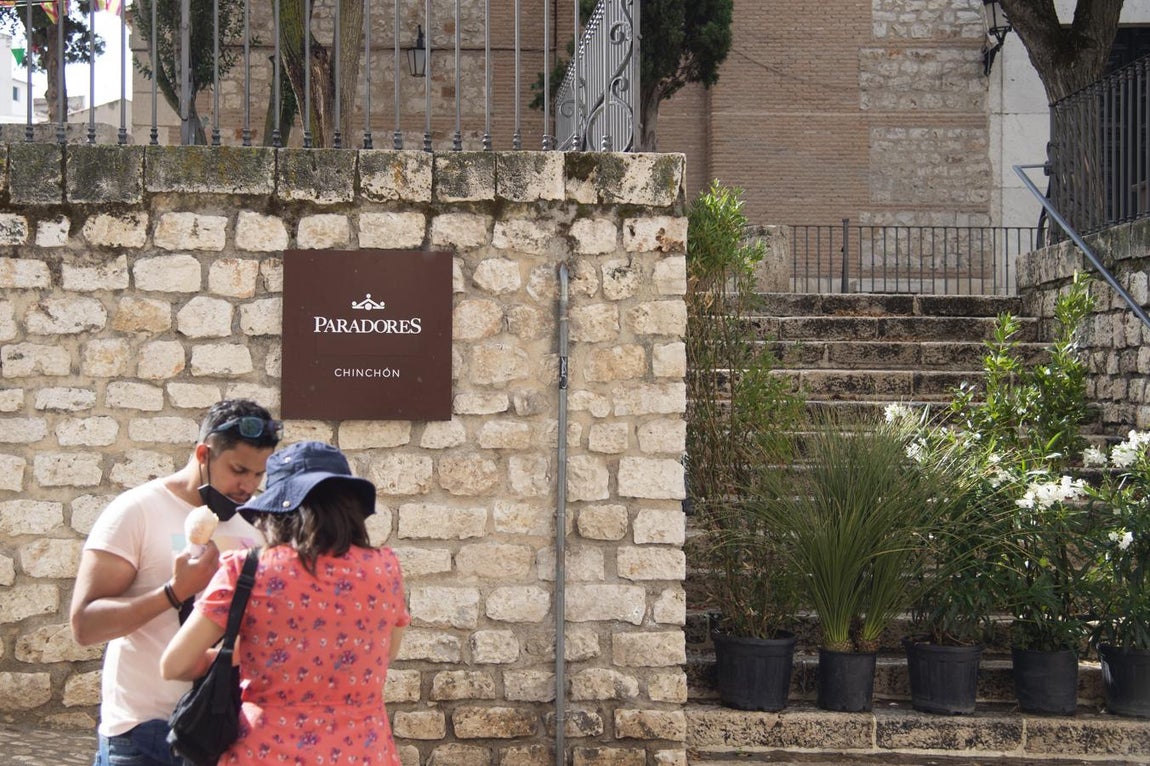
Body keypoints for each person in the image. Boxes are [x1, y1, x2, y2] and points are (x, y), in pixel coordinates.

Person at [160, 440, 410, 766]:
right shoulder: (385, 569)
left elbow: (174, 664)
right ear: (350, 507)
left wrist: (234, 656)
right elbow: (386, 652)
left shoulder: (245, 570)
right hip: (363, 753)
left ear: (275, 510)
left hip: (265, 753)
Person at [71, 399, 282, 766]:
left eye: (258, 475)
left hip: (223, 730)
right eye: (237, 470)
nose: (247, 486)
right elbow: (85, 625)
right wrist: (174, 592)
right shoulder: (136, 511)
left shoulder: (256, 525)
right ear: (203, 453)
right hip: (141, 732)